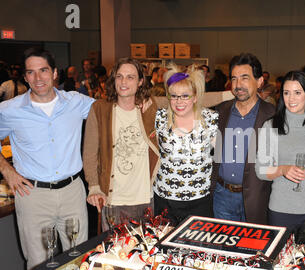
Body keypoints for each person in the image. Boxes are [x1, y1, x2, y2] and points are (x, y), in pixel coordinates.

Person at [0, 48, 95, 270]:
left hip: (73, 192)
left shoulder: (76, 102)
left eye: (43, 70)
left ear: (54, 73)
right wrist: (7, 170)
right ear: (25, 77)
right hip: (32, 195)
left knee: (78, 261)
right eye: (31, 72)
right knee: (37, 265)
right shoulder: (10, 109)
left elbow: (112, 115)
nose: (38, 78)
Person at [82, 57, 160, 231]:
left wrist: (231, 94)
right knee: (114, 253)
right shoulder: (100, 109)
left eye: (130, 77)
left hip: (144, 199)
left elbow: (189, 98)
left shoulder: (150, 107)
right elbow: (89, 153)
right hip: (113, 200)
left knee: (145, 252)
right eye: (119, 76)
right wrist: (94, 186)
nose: (124, 82)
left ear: (140, 82)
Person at [255, 71, 305, 241]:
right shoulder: (271, 126)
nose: (291, 99)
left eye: (297, 93)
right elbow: (260, 170)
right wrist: (282, 169)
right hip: (282, 209)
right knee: (281, 263)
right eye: (286, 93)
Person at [211, 53, 275, 224]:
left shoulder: (272, 115)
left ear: (260, 81)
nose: (238, 85)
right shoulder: (219, 111)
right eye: (234, 79)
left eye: (245, 78)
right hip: (221, 196)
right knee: (222, 249)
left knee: (252, 248)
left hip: (256, 197)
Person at [153, 63, 218, 225]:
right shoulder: (159, 117)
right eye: (174, 96)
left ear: (195, 97)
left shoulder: (211, 119)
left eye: (185, 96)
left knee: (198, 248)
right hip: (164, 198)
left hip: (199, 199)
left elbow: (223, 157)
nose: (178, 101)